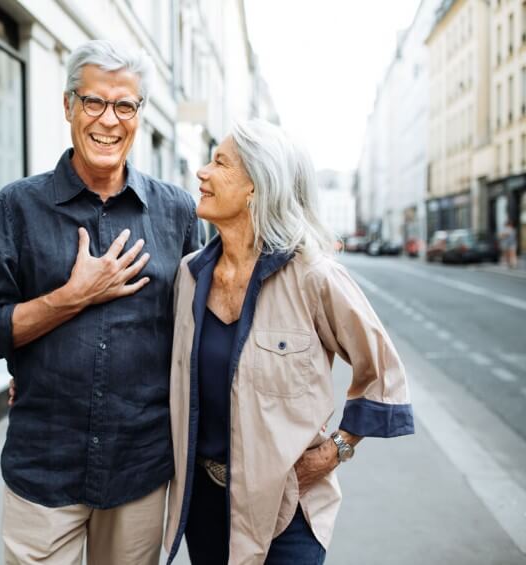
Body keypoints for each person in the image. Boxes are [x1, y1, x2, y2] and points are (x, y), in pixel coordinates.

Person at [0, 39, 200, 565]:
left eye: (124, 105)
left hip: (139, 467)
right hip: (43, 465)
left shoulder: (178, 214)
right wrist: (71, 298)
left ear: (139, 114)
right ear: (68, 105)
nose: (108, 121)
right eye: (94, 102)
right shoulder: (16, 208)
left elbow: (198, 331)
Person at [163, 119, 415, 564]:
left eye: (219, 162)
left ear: (256, 188)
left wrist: (335, 451)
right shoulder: (189, 275)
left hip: (288, 510)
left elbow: (382, 373)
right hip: (204, 505)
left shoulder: (313, 275)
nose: (201, 172)